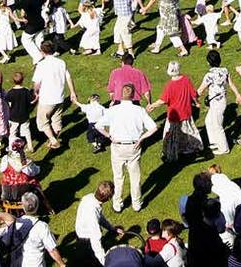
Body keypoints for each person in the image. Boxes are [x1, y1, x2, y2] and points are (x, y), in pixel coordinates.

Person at [95, 83, 158, 213]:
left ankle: (117, 204)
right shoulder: (139, 111)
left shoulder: (113, 110)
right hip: (133, 146)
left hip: (117, 146)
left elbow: (98, 126)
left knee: (118, 177)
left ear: (120, 94)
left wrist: (109, 136)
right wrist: (141, 138)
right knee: (135, 177)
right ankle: (136, 203)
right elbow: (154, 127)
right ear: (134, 95)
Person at [147, 61, 202, 162]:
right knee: (189, 133)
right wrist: (197, 103)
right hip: (186, 112)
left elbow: (163, 100)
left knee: (171, 136)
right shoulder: (186, 80)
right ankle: (191, 150)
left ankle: (171, 155)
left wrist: (153, 105)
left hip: (174, 116)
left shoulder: (170, 85)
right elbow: (193, 95)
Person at [0, 192, 67, 267]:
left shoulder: (18, 222)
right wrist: (62, 264)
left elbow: (7, 218)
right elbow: (52, 250)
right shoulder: (42, 227)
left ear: (23, 207)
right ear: (37, 205)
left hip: (18, 264)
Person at [33, 40, 78, 150]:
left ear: (42, 51)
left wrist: (36, 92)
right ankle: (53, 140)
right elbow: (68, 77)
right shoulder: (61, 62)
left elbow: (37, 83)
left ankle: (53, 140)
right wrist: (72, 92)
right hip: (59, 97)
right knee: (56, 120)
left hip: (47, 99)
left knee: (42, 122)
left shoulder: (41, 65)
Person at [73, 180, 123, 265]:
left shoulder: (89, 197)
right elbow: (96, 243)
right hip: (86, 241)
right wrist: (105, 263)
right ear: (108, 198)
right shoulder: (93, 215)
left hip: (80, 234)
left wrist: (113, 229)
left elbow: (100, 218)